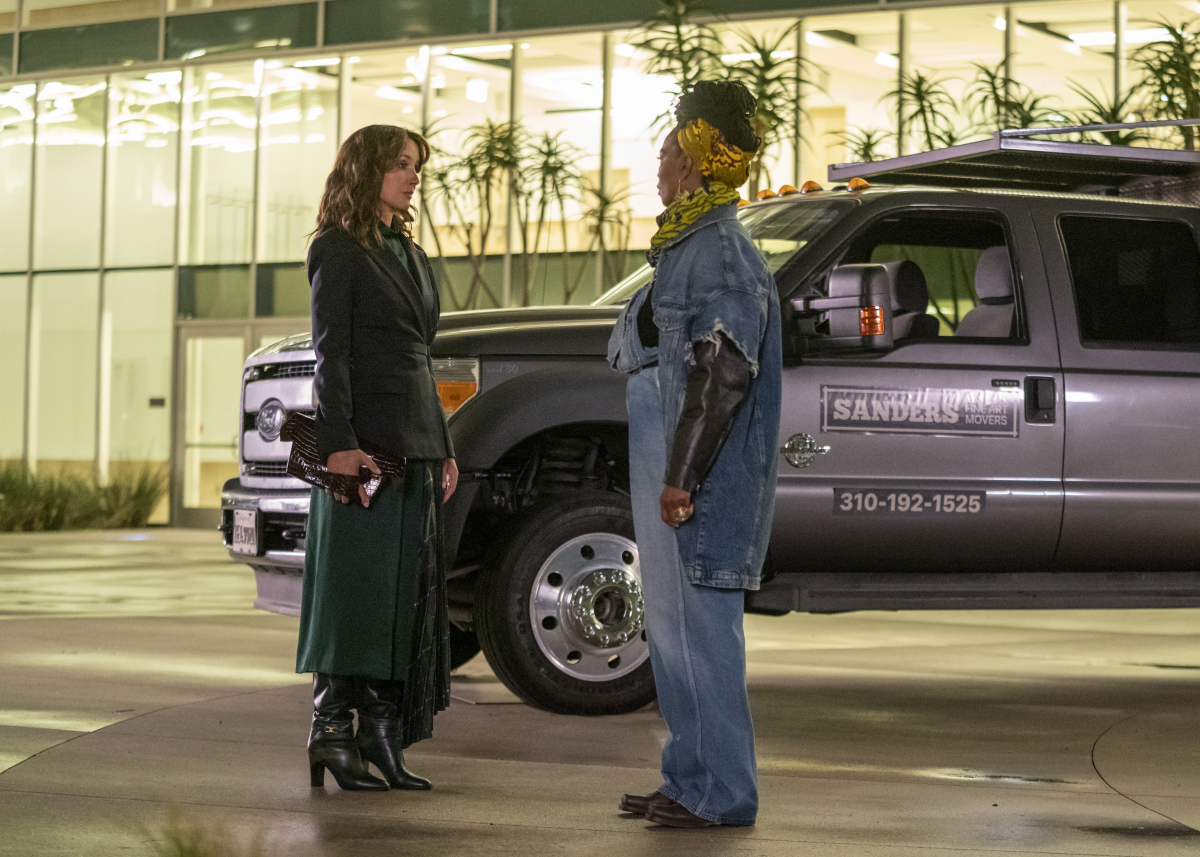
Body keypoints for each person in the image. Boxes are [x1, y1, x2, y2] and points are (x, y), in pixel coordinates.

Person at [607, 81, 782, 828]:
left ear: (698, 161)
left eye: (671, 145)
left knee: (703, 632)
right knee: (672, 631)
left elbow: (725, 367)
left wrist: (682, 477)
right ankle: (687, 777)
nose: (660, 156)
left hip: (699, 472)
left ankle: (724, 793)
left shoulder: (718, 250)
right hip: (668, 451)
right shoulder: (685, 244)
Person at [295, 124, 459, 792]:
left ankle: (380, 738)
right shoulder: (336, 249)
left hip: (416, 442)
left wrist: (442, 444)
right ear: (365, 170)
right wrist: (338, 445)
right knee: (356, 598)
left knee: (404, 603)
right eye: (400, 164)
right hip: (363, 451)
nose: (413, 175)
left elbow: (421, 357)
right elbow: (330, 353)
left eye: (417, 165)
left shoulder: (410, 252)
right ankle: (332, 732)